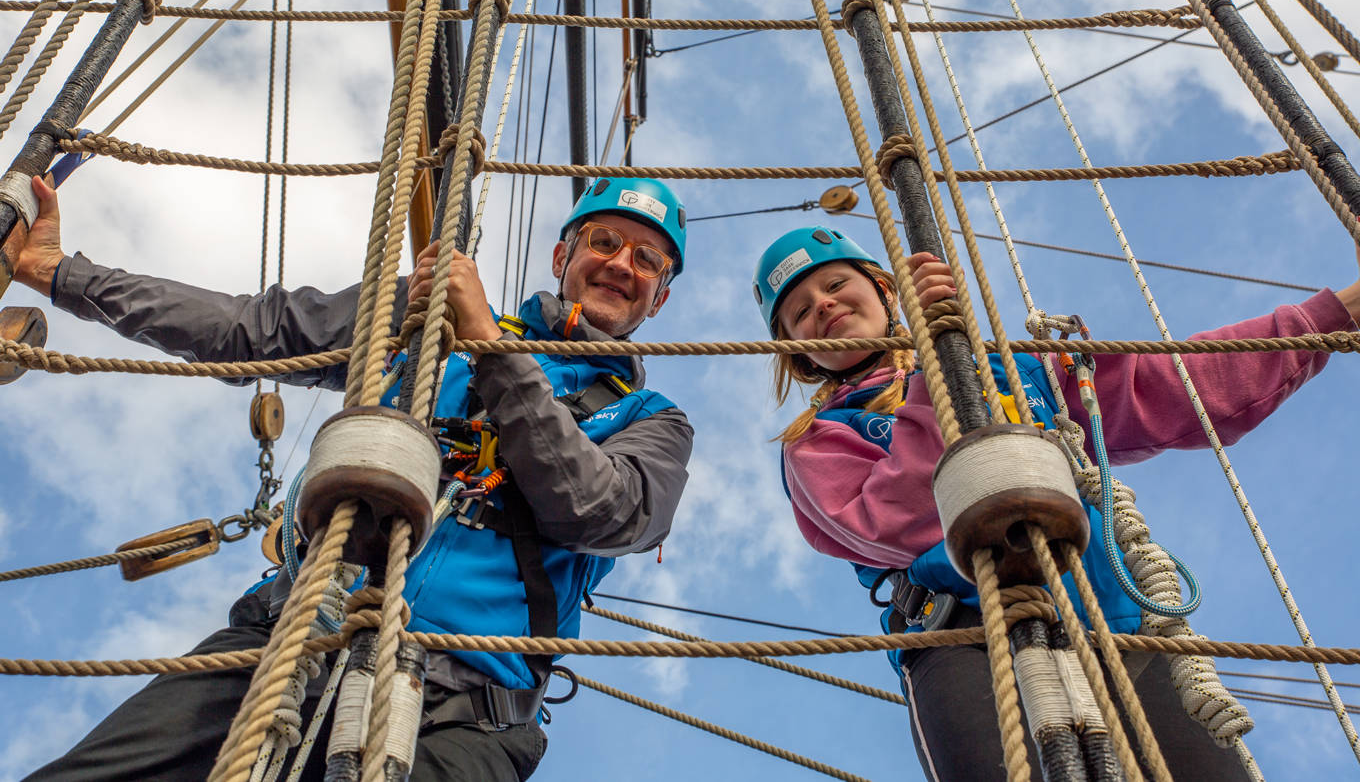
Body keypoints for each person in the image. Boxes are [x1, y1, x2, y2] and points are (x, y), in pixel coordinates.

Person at [12, 173, 694, 781]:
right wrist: (59, 274)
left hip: (463, 710)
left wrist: (489, 343)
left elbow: (600, 512)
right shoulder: (430, 323)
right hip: (289, 636)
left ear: (659, 295)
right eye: (604, 240)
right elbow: (251, 331)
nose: (620, 264)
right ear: (563, 255)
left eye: (647, 259)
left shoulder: (653, 422)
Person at [751, 224, 1360, 781]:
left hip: (1119, 621)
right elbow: (901, 517)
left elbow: (1178, 384)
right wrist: (935, 371)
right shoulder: (820, 442)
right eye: (800, 313)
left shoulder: (1014, 372)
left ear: (884, 291)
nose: (823, 306)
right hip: (966, 640)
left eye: (835, 285)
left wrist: (1339, 314)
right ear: (797, 352)